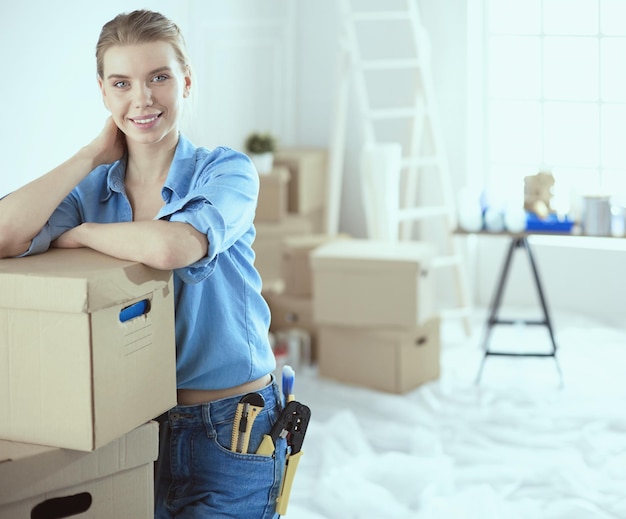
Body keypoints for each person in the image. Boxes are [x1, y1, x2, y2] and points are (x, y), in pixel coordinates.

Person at [0, 9, 287, 519]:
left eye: (159, 77)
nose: (143, 98)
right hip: (134, 422)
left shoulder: (226, 171)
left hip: (229, 425)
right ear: (104, 93)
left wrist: (82, 233)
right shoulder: (92, 188)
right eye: (122, 82)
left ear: (187, 82)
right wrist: (90, 154)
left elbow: (175, 248)